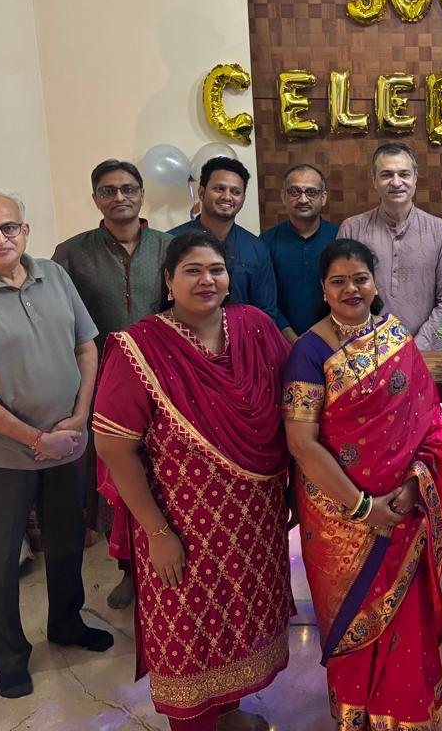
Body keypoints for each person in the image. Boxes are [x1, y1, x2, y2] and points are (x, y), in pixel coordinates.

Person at [93, 231, 292, 731]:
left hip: (253, 522)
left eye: (216, 270)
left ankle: (228, 713)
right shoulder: (140, 347)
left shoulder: (254, 327)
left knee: (239, 624)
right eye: (192, 270)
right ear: (168, 281)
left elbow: (291, 408)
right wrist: (157, 532)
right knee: (189, 632)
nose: (207, 280)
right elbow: (114, 448)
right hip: (182, 525)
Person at [0, 189, 111, 699]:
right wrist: (35, 438)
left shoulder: (54, 276)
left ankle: (67, 625)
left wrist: (79, 417)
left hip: (67, 442)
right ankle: (9, 657)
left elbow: (86, 346)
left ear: (25, 231)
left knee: (68, 541)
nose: (0, 238)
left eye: (9, 226)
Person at [283, 238, 442, 730]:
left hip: (403, 506)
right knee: (351, 613)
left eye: (360, 278)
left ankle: (404, 713)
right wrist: (363, 507)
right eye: (338, 281)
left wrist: (412, 488)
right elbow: (301, 444)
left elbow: (427, 420)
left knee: (406, 614)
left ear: (375, 283)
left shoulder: (396, 337)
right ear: (323, 289)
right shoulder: (308, 352)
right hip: (338, 518)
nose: (351, 289)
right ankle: (356, 714)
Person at [53, 158, 172, 610]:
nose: (119, 197)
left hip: (165, 381)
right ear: (95, 199)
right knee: (116, 480)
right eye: (108, 190)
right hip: (104, 384)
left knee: (161, 474)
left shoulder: (170, 246)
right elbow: (59, 320)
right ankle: (127, 569)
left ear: (141, 194)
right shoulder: (71, 253)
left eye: (128, 188)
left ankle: (164, 559)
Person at [337, 142, 442, 350]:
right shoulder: (352, 229)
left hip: (426, 353)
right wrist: (376, 347)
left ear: (415, 178)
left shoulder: (440, 231)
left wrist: (417, 347)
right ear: (374, 180)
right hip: (367, 351)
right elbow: (342, 294)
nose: (396, 182)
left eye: (404, 174)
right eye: (386, 175)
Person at [170, 155, 287, 331]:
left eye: (235, 192)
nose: (227, 196)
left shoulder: (256, 248)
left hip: (243, 341)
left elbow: (266, 312)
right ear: (201, 193)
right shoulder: (172, 242)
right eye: (219, 189)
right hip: (183, 340)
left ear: (243, 198)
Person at [261, 163, 338, 341]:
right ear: (283, 196)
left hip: (335, 340)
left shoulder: (340, 237)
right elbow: (265, 299)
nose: (303, 199)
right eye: (295, 192)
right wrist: (291, 339)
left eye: (311, 192)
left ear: (323, 197)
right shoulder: (265, 243)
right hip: (281, 341)